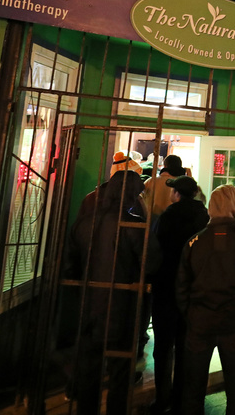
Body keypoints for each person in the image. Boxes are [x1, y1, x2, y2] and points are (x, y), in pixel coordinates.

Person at [65, 170, 158, 415]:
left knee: (89, 371)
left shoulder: (85, 223)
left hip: (89, 308)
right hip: (123, 308)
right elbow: (153, 264)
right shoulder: (134, 225)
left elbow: (69, 266)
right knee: (120, 373)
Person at [176, 185, 235, 415]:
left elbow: (180, 286)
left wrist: (189, 312)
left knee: (194, 388)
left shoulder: (194, 242)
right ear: (233, 207)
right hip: (234, 321)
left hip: (200, 322)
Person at [150, 175, 210, 415]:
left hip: (166, 288)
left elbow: (155, 251)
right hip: (193, 291)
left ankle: (162, 398)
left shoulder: (167, 217)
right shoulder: (204, 217)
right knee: (187, 348)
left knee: (163, 348)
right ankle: (182, 401)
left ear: (176, 194)